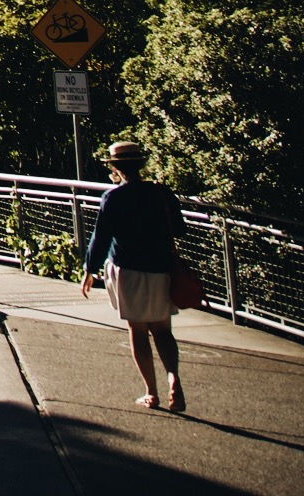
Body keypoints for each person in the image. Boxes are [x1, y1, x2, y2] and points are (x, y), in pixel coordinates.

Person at [80, 140, 189, 411]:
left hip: (127, 270)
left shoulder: (113, 198)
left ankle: (151, 393)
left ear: (115, 167)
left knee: (137, 331)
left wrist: (89, 269)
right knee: (163, 330)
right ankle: (173, 378)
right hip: (161, 268)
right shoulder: (161, 193)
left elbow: (101, 238)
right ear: (141, 164)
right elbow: (179, 229)